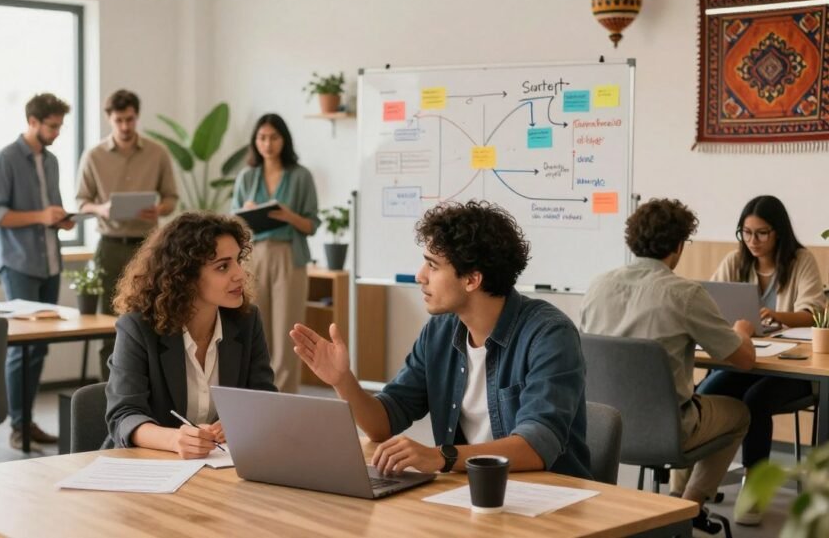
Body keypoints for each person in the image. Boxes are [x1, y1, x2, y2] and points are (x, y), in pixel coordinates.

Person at [290, 200, 590, 478]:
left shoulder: (548, 334)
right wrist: (343, 381)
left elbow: (536, 446)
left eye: (433, 266)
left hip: (549, 501)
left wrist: (441, 457)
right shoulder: (440, 332)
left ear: (472, 279)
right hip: (469, 495)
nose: (420, 276)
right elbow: (383, 423)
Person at [580, 198, 756, 534]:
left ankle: (674, 504)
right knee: (739, 413)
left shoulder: (597, 286)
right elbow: (744, 360)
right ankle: (686, 508)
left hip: (603, 430)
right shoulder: (684, 293)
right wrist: (741, 331)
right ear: (678, 245)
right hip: (668, 429)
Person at [696, 195, 826, 526]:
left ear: (778, 232)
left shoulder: (801, 261)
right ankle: (693, 489)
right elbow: (712, 305)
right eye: (746, 233)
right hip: (748, 359)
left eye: (762, 233)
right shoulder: (734, 261)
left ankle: (753, 492)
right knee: (710, 390)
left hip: (793, 368)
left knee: (755, 401)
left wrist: (776, 315)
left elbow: (815, 313)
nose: (753, 241)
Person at [104, 212, 276, 456]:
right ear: (184, 276)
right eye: (223, 266)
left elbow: (264, 399)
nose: (240, 274)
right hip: (149, 466)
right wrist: (174, 439)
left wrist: (240, 421)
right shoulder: (137, 327)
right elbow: (123, 416)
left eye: (238, 260)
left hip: (219, 466)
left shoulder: (246, 321)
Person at [0, 92, 76, 451]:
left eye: (59, 126)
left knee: (39, 347)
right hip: (19, 263)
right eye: (52, 126)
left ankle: (27, 421)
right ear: (33, 122)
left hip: (49, 261)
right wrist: (41, 217)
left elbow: (49, 212)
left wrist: (61, 220)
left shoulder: (50, 162)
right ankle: (18, 426)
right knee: (21, 348)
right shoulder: (4, 160)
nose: (56, 133)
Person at [76, 89, 179, 381]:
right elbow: (81, 202)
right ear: (109, 118)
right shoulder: (94, 156)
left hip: (150, 248)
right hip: (110, 247)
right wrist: (103, 209)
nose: (124, 126)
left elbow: (172, 197)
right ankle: (108, 394)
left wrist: (159, 208)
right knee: (108, 324)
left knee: (155, 319)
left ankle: (152, 389)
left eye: (130, 119)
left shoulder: (157, 153)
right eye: (119, 120)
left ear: (137, 117)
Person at [231, 114, 319, 394]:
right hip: (252, 256)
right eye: (261, 137)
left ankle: (285, 401)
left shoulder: (301, 176)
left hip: (288, 256)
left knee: (287, 332)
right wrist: (246, 211)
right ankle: (258, 398)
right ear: (255, 141)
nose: (267, 144)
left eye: (273, 137)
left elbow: (311, 224)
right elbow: (233, 225)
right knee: (255, 328)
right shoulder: (246, 176)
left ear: (284, 139)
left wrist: (287, 215)